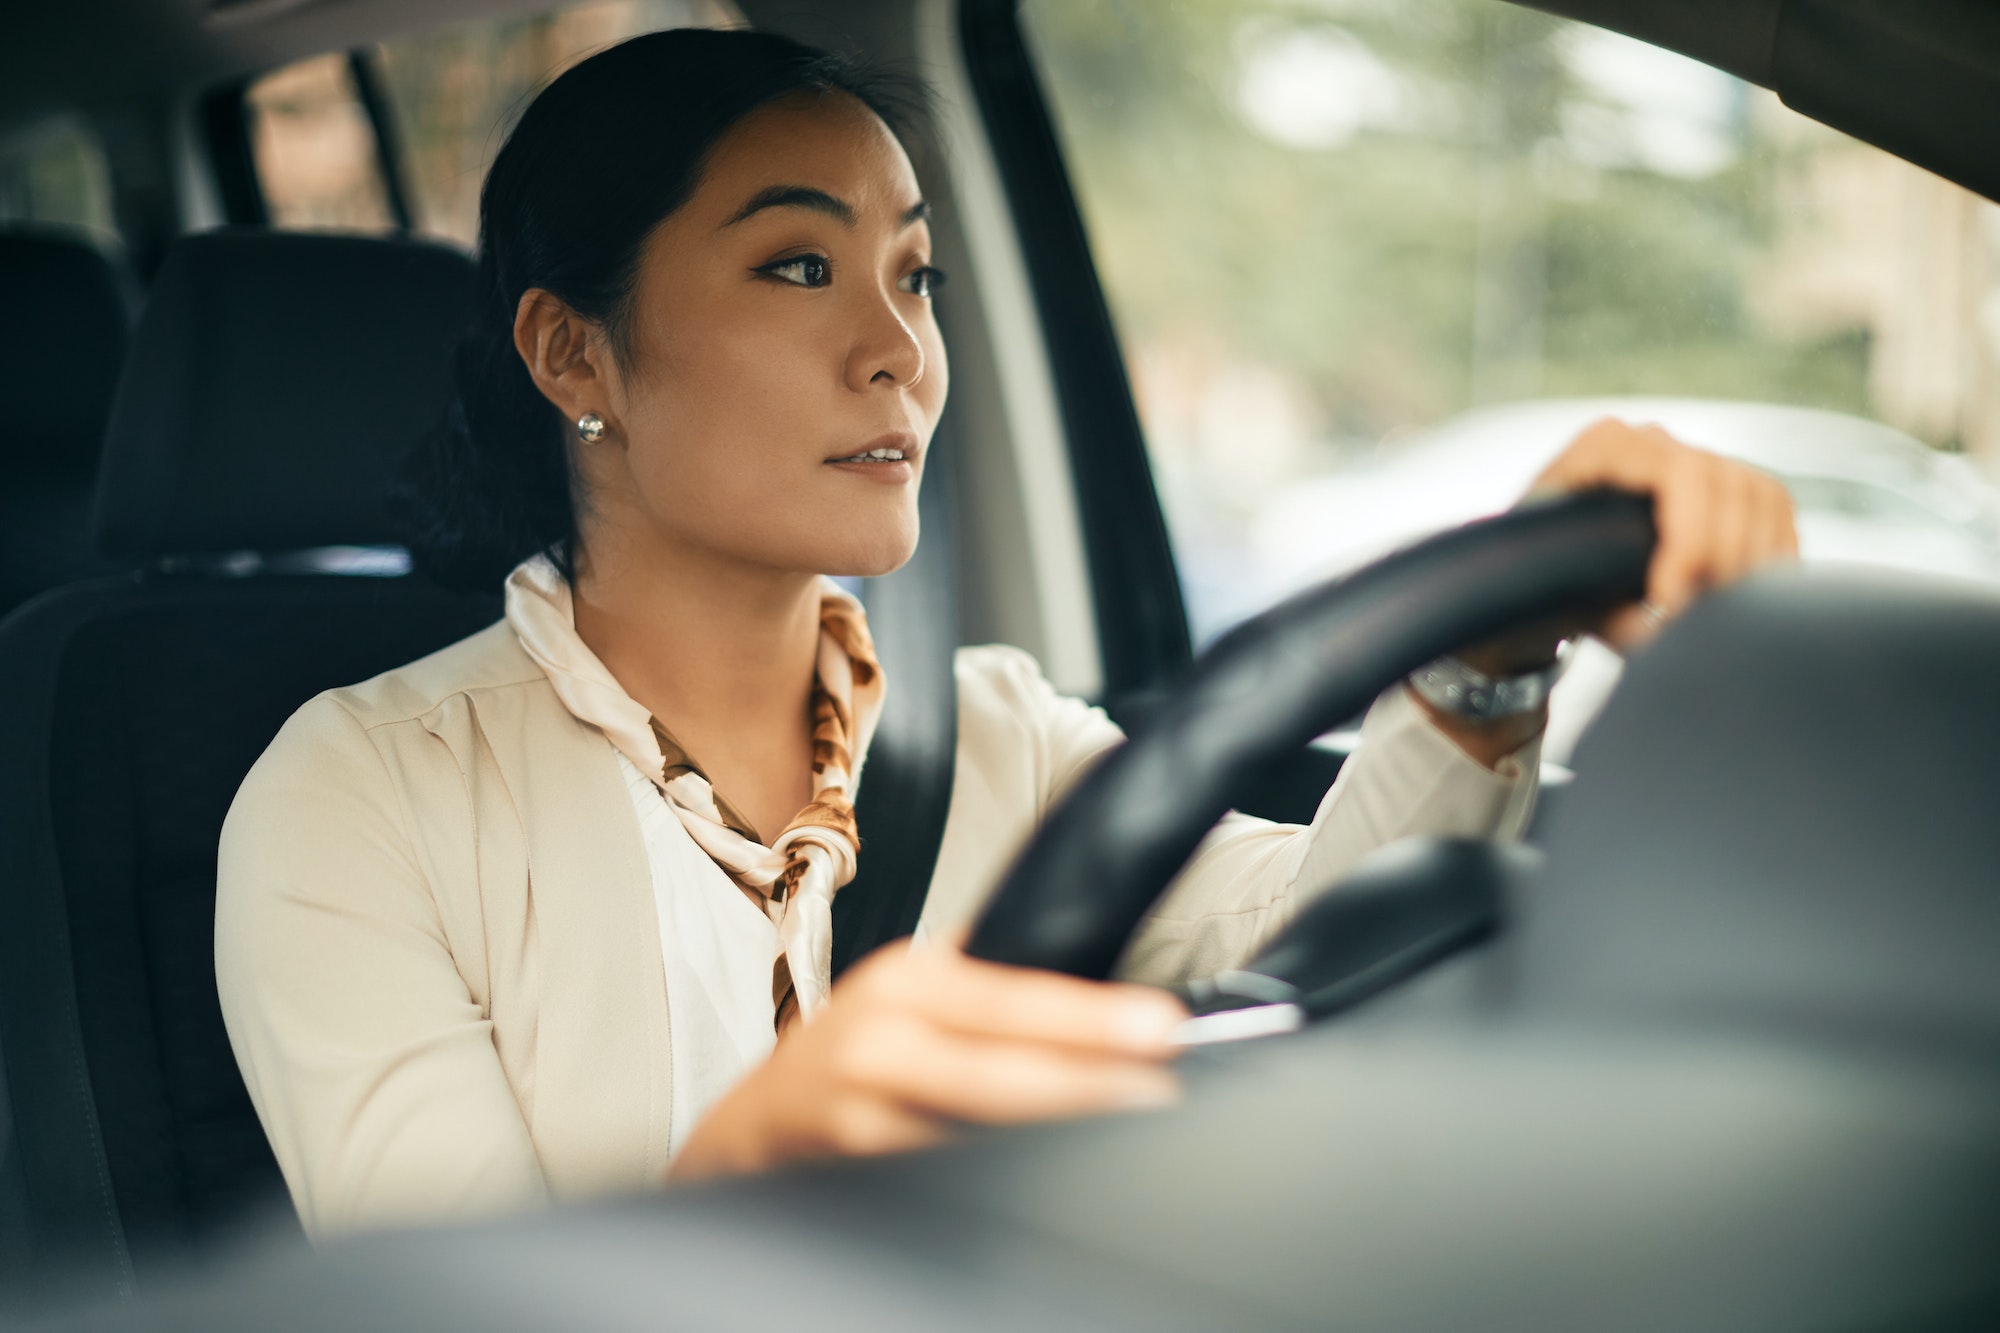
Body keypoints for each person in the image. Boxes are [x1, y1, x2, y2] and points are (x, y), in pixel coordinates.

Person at [214, 28, 1798, 1237]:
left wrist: (1488, 658)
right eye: (796, 264)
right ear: (577, 354)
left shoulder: (1007, 742)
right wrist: (758, 1163)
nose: (897, 345)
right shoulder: (359, 801)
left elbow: (1341, 939)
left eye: (916, 274)